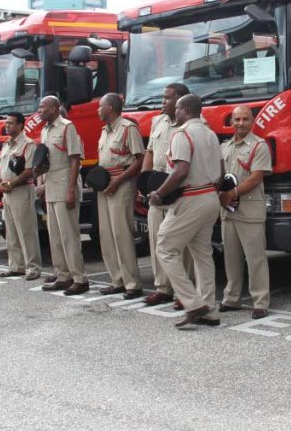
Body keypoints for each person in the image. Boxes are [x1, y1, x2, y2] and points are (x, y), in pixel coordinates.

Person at [150, 94, 222, 327]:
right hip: (210, 195)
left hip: (191, 198)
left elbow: (180, 171)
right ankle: (210, 310)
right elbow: (220, 171)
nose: (175, 112)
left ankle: (192, 303)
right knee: (202, 254)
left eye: (178, 108)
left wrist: (159, 194)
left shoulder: (182, 134)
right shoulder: (210, 134)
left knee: (165, 247)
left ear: (186, 110)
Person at [217, 105, 273, 319]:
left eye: (245, 119)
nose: (240, 123)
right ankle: (231, 299)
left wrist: (231, 194)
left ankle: (260, 301)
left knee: (255, 258)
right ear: (231, 122)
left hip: (249, 210)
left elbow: (256, 177)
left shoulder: (260, 146)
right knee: (231, 258)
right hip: (228, 211)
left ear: (252, 121)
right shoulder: (225, 147)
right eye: (236, 119)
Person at [141, 83, 192, 306]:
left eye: (168, 98)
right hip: (155, 188)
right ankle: (162, 287)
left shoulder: (192, 125)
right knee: (156, 238)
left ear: (181, 100)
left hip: (177, 188)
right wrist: (143, 182)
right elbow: (150, 151)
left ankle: (184, 292)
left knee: (180, 243)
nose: (163, 102)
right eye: (163, 98)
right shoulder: (157, 121)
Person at [37, 95, 89, 296]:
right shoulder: (45, 131)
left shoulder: (68, 127)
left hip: (65, 186)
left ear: (54, 108)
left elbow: (75, 160)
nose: (39, 111)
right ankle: (63, 276)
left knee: (69, 236)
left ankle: (80, 279)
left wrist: (70, 191)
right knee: (55, 237)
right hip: (51, 187)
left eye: (43, 107)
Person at [96, 93, 144, 299]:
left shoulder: (128, 128)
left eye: (100, 106)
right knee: (106, 234)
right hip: (104, 185)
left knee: (121, 233)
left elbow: (139, 159)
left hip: (121, 183)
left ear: (110, 108)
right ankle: (117, 280)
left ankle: (132, 283)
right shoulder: (104, 131)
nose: (97, 110)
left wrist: (117, 181)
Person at [0, 112, 41, 281]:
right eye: (6, 123)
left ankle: (33, 267)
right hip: (7, 192)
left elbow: (29, 169)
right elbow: (0, 169)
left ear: (21, 125)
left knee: (26, 230)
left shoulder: (28, 145)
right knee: (11, 231)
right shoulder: (6, 145)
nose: (7, 126)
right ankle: (16, 266)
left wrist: (12, 183)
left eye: (11, 123)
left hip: (21, 190)